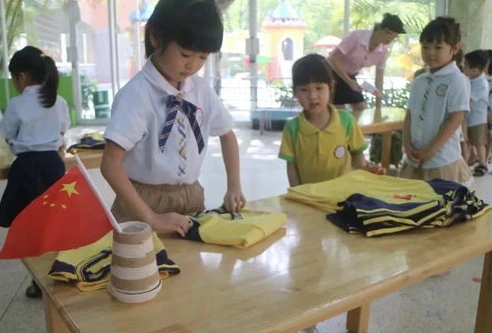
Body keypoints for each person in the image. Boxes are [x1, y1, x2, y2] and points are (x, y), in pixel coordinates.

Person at [101, 0, 246, 236]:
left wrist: (234, 186)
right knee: (146, 267)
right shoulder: (136, 95)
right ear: (156, 39)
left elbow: (227, 135)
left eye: (203, 58)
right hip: (142, 201)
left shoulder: (200, 90)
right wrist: (151, 217)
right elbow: (110, 164)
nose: (193, 65)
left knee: (191, 266)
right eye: (186, 54)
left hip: (191, 195)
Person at [0, 46, 70, 298]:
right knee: (52, 221)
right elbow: (62, 133)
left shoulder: (18, 104)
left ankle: (36, 279)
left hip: (26, 167)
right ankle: (58, 271)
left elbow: (6, 135)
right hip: (53, 165)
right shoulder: (58, 101)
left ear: (22, 76)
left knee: (28, 224)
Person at [278, 54, 383, 187]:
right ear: (295, 93)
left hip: (343, 195)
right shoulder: (292, 128)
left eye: (319, 88)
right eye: (304, 90)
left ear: (331, 87)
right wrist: (297, 193)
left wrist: (368, 170)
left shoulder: (346, 120)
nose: (312, 96)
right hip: (310, 198)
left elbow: (358, 156)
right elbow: (291, 168)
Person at [399, 17, 472, 184]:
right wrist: (407, 146)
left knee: (440, 206)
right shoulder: (419, 80)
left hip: (441, 160)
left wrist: (429, 150)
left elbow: (456, 119)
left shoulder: (457, 80)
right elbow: (410, 115)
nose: (430, 52)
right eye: (425, 47)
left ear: (454, 48)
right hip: (414, 157)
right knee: (409, 203)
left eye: (438, 47)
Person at [327, 13, 406, 116]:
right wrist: (349, 82)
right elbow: (333, 59)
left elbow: (379, 79)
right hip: (332, 73)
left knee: (362, 109)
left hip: (350, 78)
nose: (389, 38)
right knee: (338, 113)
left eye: (394, 37)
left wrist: (378, 108)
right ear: (378, 28)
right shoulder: (357, 36)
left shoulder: (383, 52)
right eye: (388, 33)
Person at [462, 50, 489, 176]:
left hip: (477, 119)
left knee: (478, 142)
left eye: (466, 65)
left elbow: (469, 101)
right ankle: (468, 160)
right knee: (466, 141)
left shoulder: (482, 84)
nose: (463, 67)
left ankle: (482, 163)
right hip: (468, 118)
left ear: (475, 70)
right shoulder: (470, 79)